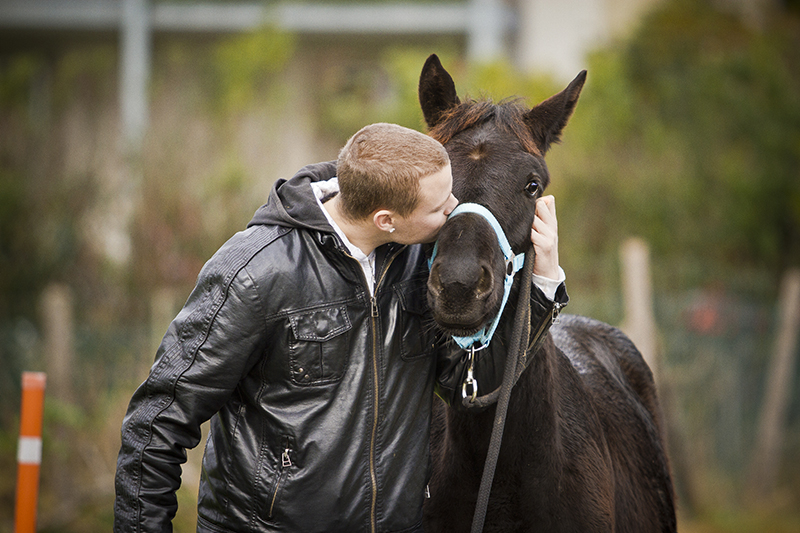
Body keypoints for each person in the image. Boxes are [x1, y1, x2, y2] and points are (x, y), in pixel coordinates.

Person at [114, 123, 566, 533]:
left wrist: (542, 284)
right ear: (386, 218)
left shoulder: (416, 264)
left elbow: (471, 386)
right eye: (442, 204)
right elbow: (157, 424)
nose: (454, 210)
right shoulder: (255, 274)